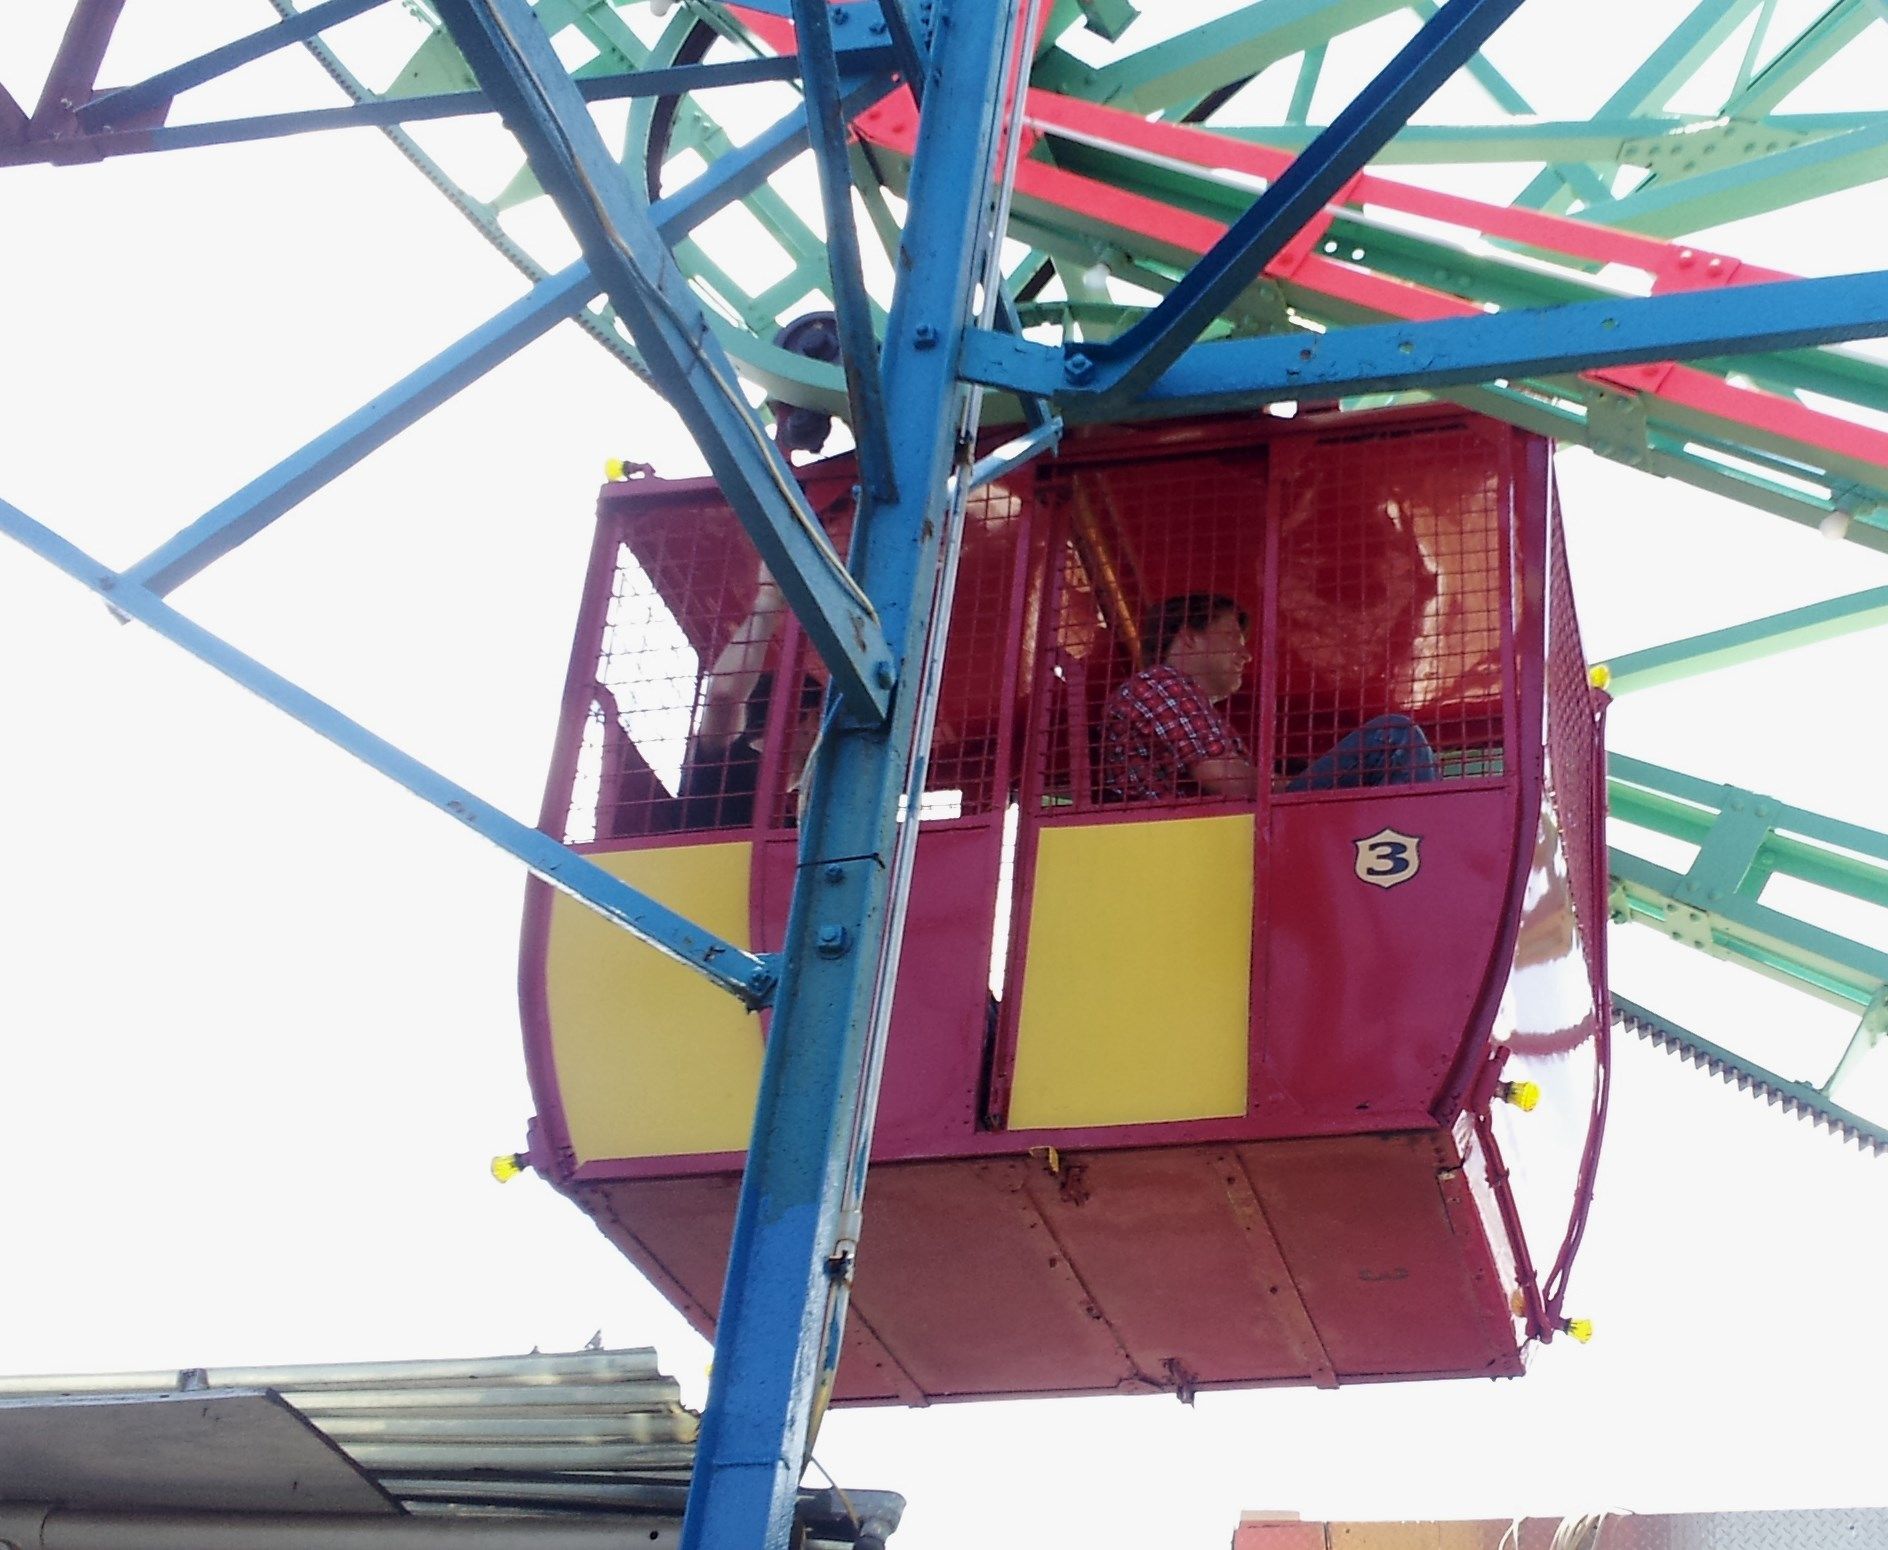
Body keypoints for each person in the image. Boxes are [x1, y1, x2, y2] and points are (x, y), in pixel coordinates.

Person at [1098, 592, 1437, 802]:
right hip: (1193, 838)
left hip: (1204, 836)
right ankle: (1424, 842)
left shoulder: (1172, 693)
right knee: (1393, 735)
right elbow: (1226, 779)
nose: (1245, 655)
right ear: (1188, 637)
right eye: (1232, 637)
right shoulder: (1162, 684)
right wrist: (1291, 786)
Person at [676, 564, 822, 828]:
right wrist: (768, 601)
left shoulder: (795, 822)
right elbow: (723, 695)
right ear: (812, 719)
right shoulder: (729, 765)